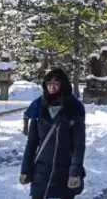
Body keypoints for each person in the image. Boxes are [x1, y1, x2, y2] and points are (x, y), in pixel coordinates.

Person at [20, 68, 86, 199]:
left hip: (64, 171)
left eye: (56, 83)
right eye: (49, 83)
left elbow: (79, 145)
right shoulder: (38, 107)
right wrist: (26, 170)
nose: (52, 86)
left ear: (63, 85)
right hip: (41, 172)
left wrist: (75, 172)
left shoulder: (73, 108)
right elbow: (32, 143)